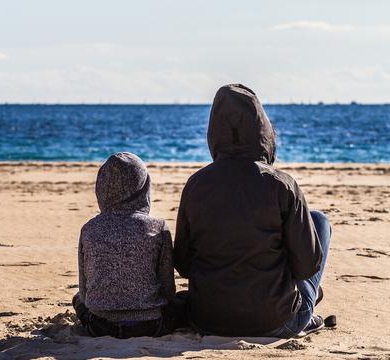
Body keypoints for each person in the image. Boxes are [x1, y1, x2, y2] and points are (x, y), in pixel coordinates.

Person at [173, 84, 331, 338]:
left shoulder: (196, 185)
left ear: (214, 132)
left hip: (206, 319)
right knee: (319, 220)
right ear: (263, 129)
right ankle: (305, 311)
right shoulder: (282, 185)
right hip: (276, 321)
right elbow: (306, 267)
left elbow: (183, 263)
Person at [72, 152, 186, 338]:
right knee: (184, 301)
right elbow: (168, 291)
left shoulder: (89, 229)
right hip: (150, 325)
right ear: (145, 188)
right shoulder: (158, 228)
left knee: (76, 299)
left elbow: (85, 294)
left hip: (100, 326)